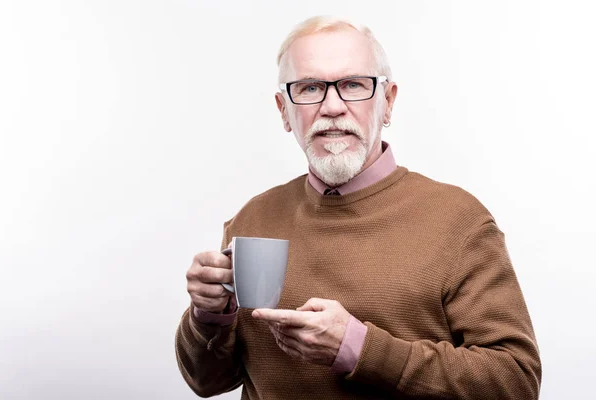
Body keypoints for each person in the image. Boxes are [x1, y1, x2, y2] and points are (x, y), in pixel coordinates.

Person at [175, 15, 542, 399]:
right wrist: (208, 315)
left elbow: (516, 381)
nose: (332, 106)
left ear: (388, 102)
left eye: (353, 85)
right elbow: (207, 381)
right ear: (285, 111)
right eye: (310, 87)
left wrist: (360, 350)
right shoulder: (252, 219)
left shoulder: (459, 222)